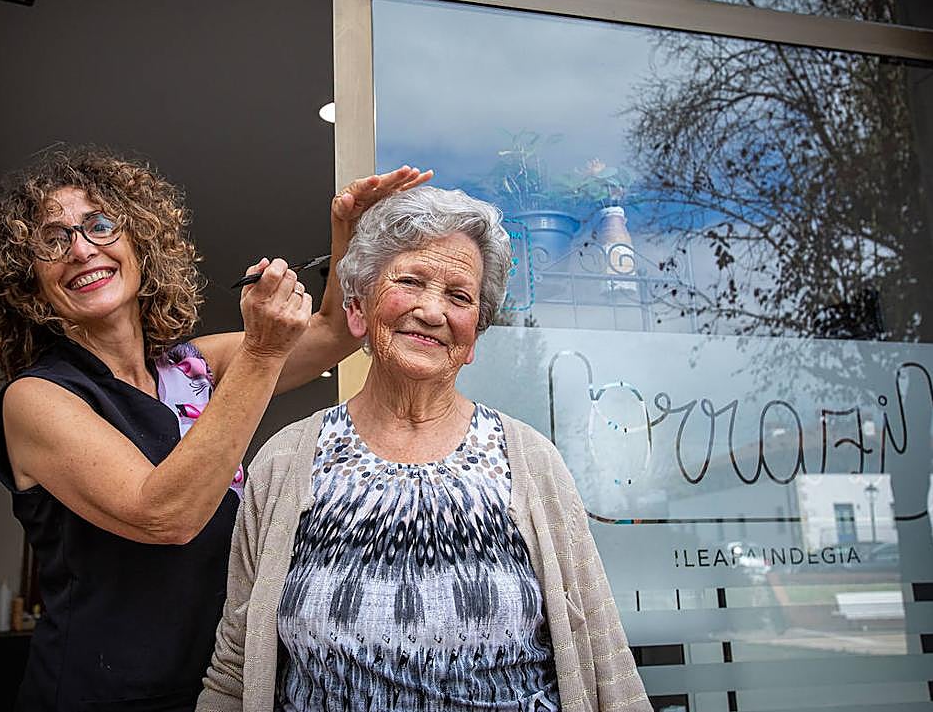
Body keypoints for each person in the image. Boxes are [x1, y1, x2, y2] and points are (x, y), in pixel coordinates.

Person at [0, 146, 430, 711]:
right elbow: (166, 515)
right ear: (28, 280)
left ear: (139, 243)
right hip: (103, 696)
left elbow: (334, 332)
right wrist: (261, 352)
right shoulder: (36, 398)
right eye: (53, 241)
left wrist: (349, 230)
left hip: (216, 687)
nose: (81, 250)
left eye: (99, 225)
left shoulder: (188, 367)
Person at [197, 187, 651, 712]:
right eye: (410, 281)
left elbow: (603, 650)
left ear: (473, 337)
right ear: (358, 311)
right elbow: (235, 665)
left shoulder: (529, 459)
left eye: (459, 296)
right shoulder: (285, 461)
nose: (432, 311)